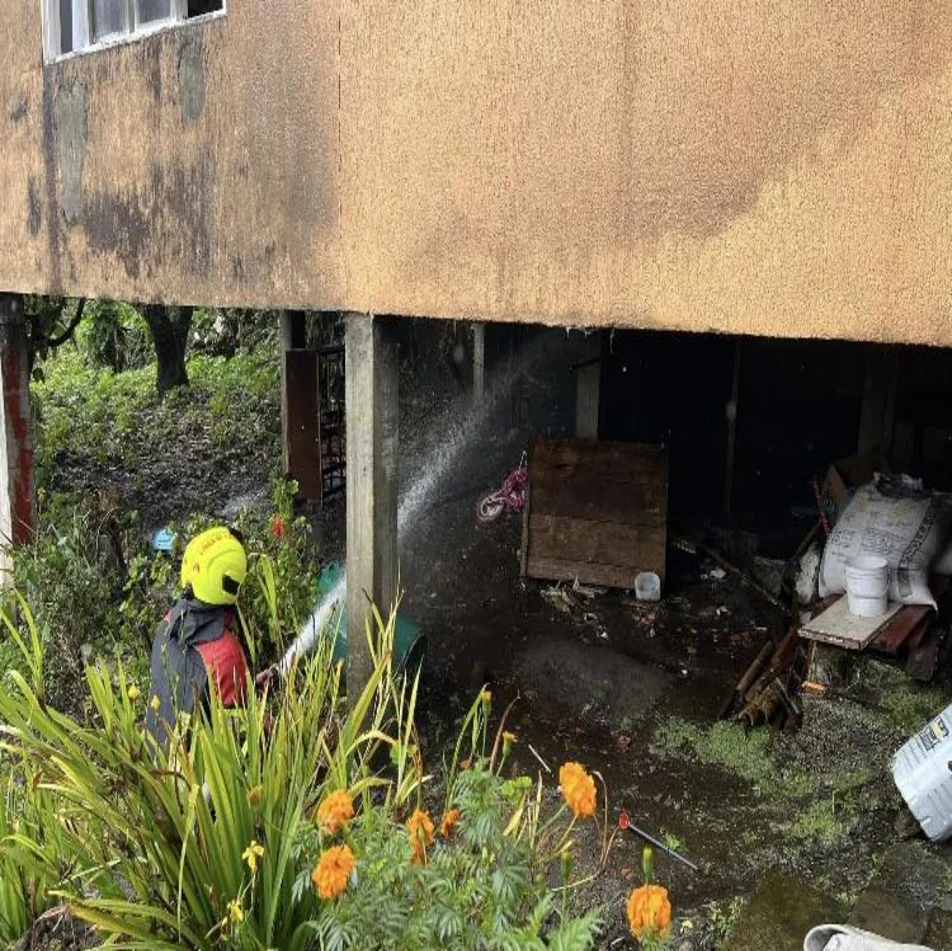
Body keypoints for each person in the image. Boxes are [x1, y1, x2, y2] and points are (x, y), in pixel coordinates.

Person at [146, 525, 251, 750]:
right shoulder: (226, 655)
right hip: (195, 780)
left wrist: (251, 683)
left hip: (157, 761)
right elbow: (238, 742)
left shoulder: (168, 625)